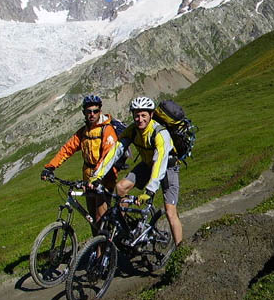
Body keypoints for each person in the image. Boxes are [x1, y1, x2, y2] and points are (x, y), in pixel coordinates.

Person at [90, 96, 183, 246]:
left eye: (143, 115)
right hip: (147, 165)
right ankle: (125, 231)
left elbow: (159, 164)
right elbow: (115, 152)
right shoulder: (132, 130)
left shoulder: (160, 134)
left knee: (170, 211)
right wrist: (97, 176)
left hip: (168, 167)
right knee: (120, 188)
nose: (139, 119)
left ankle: (181, 252)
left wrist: (150, 191)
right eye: (136, 115)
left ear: (151, 115)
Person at [41, 95, 118, 233]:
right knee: (92, 219)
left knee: (100, 220)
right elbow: (67, 149)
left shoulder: (107, 130)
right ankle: (97, 247)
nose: (92, 114)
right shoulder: (84, 131)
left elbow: (108, 157)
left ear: (100, 111)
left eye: (95, 111)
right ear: (84, 113)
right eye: (89, 112)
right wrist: (50, 167)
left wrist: (97, 177)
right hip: (88, 179)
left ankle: (103, 253)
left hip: (104, 179)